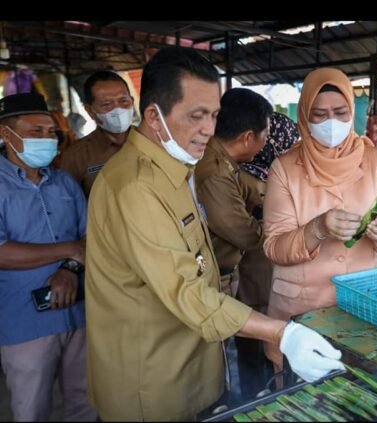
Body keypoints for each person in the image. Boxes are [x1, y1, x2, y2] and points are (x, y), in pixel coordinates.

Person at [85, 46, 345, 422]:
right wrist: (281, 334)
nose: (209, 128)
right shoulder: (136, 187)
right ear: (154, 117)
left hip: (187, 369)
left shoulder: (176, 169)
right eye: (197, 116)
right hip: (152, 384)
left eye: (213, 115)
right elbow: (186, 292)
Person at [262, 67, 377, 371]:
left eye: (341, 112)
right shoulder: (284, 168)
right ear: (304, 115)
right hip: (301, 312)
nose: (332, 121)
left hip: (366, 308)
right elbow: (274, 246)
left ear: (352, 112)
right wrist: (317, 229)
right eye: (319, 114)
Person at [0, 93, 94, 421]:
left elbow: (89, 238)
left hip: (79, 311)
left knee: (85, 403)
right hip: (24, 320)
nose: (47, 139)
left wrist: (69, 268)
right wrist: (67, 249)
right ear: (5, 133)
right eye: (35, 131)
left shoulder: (65, 182)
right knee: (31, 407)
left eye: (51, 132)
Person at [235, 112, 299, 396]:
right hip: (255, 274)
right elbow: (241, 228)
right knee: (257, 348)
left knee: (267, 350)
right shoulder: (247, 177)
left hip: (271, 276)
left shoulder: (280, 174)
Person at [193, 87, 273, 298]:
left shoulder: (222, 161)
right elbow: (244, 233)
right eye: (265, 136)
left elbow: (252, 189)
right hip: (212, 278)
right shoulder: (215, 172)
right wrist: (283, 227)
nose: (265, 144)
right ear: (247, 137)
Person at [59, 70, 135, 197]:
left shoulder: (154, 141)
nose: (118, 109)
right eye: (107, 104)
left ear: (132, 101)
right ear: (90, 111)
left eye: (123, 101)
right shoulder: (76, 156)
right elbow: (69, 204)